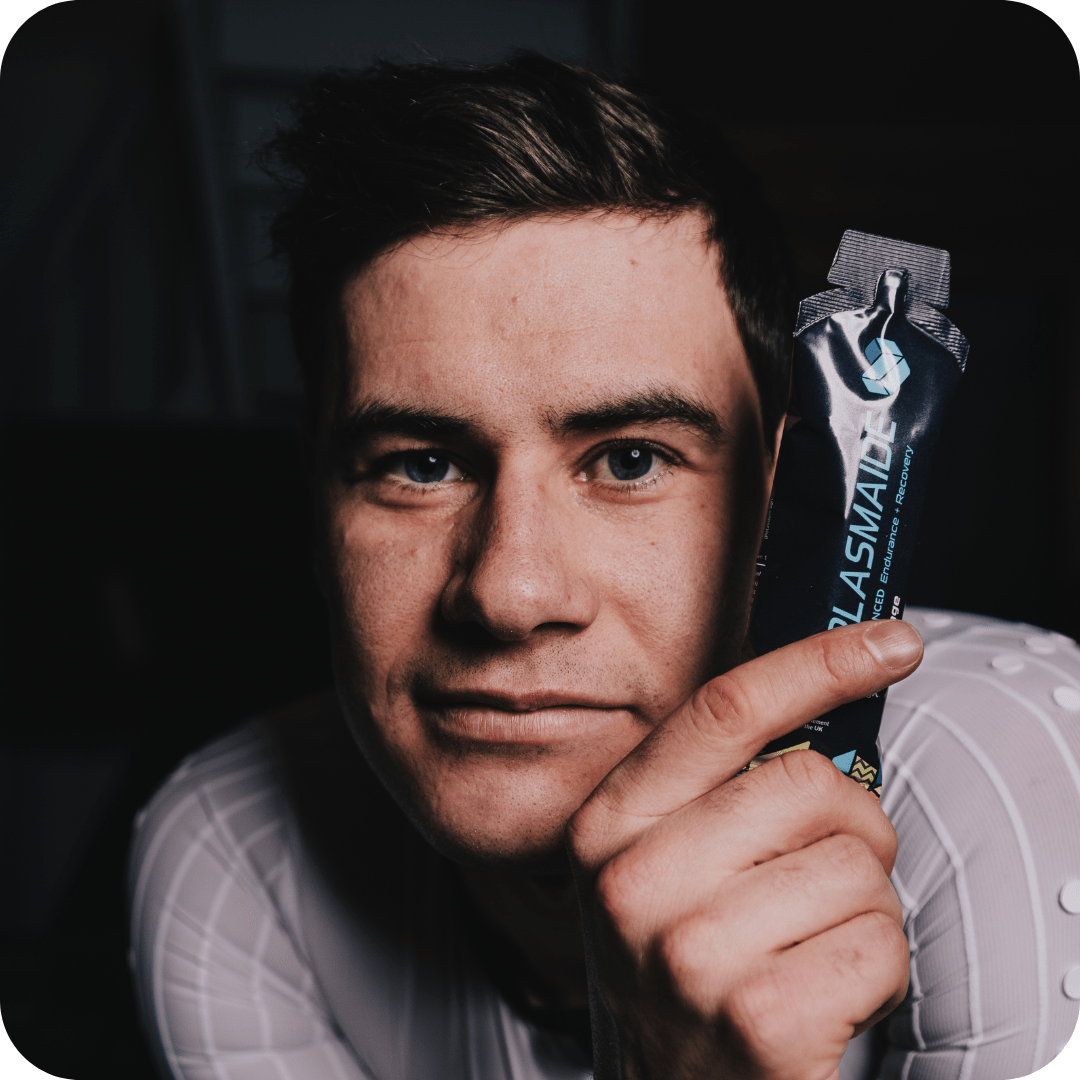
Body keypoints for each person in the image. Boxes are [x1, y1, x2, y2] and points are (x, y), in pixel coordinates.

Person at [127, 54, 1080, 1080]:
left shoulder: (1012, 782)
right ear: (318, 513)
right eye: (422, 465)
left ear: (781, 500)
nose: (510, 593)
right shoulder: (230, 855)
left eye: (630, 460)